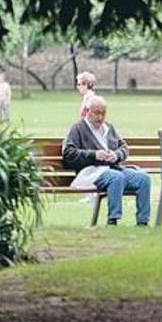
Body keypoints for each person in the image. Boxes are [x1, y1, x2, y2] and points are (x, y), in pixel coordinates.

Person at [62, 95, 151, 226]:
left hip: (114, 168)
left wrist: (116, 155)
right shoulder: (78, 129)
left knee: (144, 179)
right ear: (87, 111)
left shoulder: (109, 128)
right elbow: (68, 153)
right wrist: (94, 155)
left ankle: (143, 221)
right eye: (96, 113)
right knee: (116, 177)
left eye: (103, 113)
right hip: (91, 172)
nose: (100, 117)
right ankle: (113, 220)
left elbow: (124, 147)